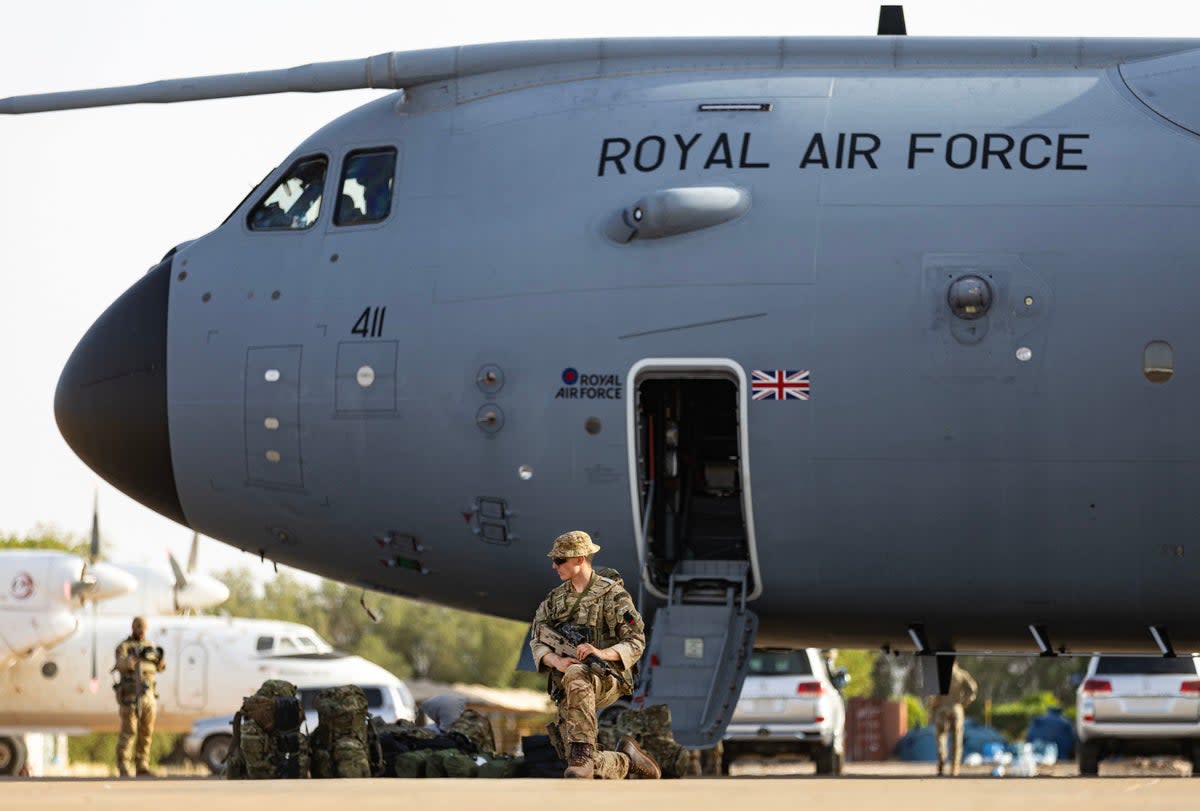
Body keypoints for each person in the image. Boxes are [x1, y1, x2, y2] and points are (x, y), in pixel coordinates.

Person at [529, 530, 660, 780]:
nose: (554, 565)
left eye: (560, 560)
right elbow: (537, 639)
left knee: (577, 671)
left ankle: (583, 753)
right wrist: (556, 660)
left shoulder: (612, 596)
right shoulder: (555, 600)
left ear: (580, 559)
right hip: (568, 684)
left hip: (606, 677)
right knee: (577, 764)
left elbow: (636, 641)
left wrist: (601, 652)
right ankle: (626, 760)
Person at [112, 616, 166, 777]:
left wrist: (158, 658)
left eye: (144, 630)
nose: (142, 633)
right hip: (131, 695)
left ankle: (142, 764)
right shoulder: (124, 646)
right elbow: (120, 664)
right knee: (129, 731)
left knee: (147, 732)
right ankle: (123, 766)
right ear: (133, 628)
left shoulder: (149, 646)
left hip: (148, 695)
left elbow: (161, 667)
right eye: (139, 629)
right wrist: (132, 659)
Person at [927, 662, 978, 776]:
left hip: (942, 709)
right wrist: (966, 702)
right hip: (956, 708)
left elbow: (932, 695)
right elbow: (973, 689)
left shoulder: (939, 675)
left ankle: (941, 758)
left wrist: (932, 707)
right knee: (957, 740)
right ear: (957, 663)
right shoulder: (961, 674)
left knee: (941, 736)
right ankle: (954, 768)